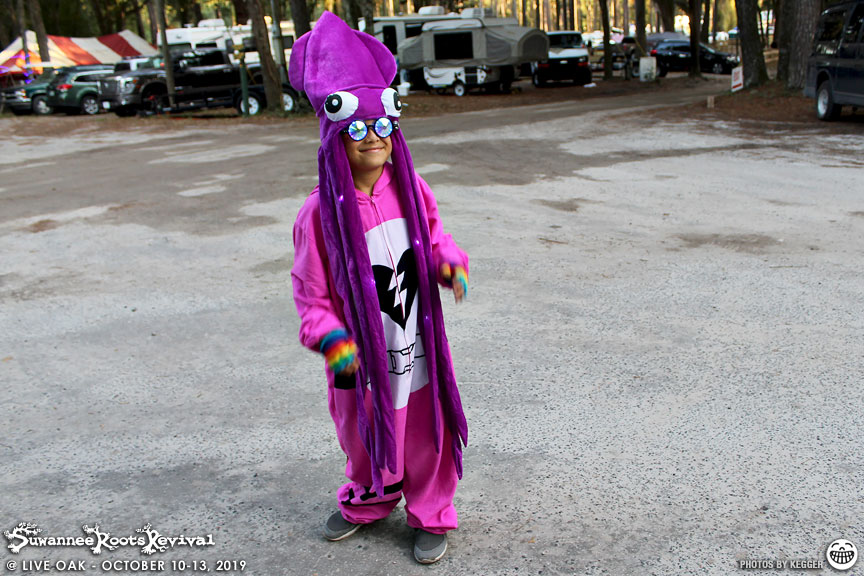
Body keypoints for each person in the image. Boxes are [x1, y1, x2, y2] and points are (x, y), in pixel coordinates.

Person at [288, 12, 470, 565]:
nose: (372, 138)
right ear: (333, 135)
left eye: (382, 126)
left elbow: (434, 237)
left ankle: (431, 510)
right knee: (362, 431)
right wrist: (328, 336)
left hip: (414, 340)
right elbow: (311, 293)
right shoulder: (318, 213)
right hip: (356, 354)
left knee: (425, 429)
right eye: (357, 129)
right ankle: (370, 497)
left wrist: (448, 262)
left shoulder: (411, 188)